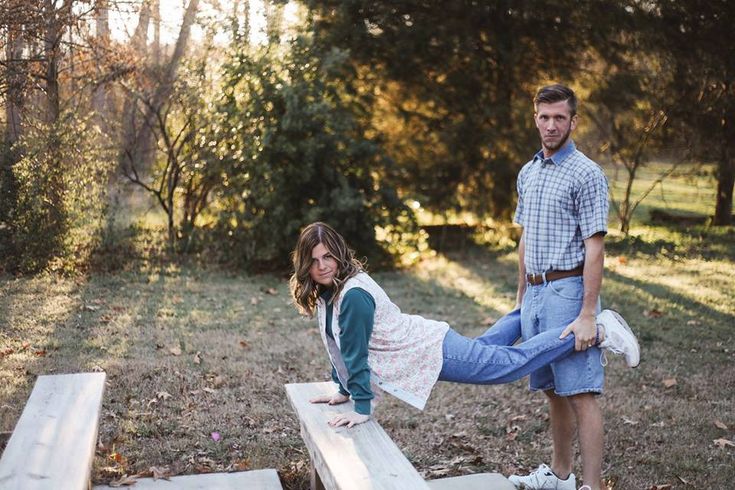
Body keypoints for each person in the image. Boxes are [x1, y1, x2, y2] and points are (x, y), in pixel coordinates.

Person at [288, 222, 639, 434]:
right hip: (424, 344)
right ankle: (523, 312)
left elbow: (355, 353)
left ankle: (598, 329)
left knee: (506, 366)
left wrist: (361, 408)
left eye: (328, 257)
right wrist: (342, 389)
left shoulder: (352, 297)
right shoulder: (329, 292)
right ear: (305, 263)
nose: (322, 266)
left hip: (428, 351)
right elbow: (336, 344)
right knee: (491, 351)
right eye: (315, 260)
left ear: (339, 254)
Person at [508, 84, 628, 490]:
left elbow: (595, 247)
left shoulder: (586, 174)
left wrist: (588, 313)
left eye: (560, 117)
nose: (551, 124)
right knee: (553, 391)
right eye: (544, 116)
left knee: (581, 392)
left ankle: (591, 486)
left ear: (574, 121)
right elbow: (525, 237)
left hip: (569, 292)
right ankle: (560, 475)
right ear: (535, 118)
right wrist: (521, 296)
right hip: (537, 295)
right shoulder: (528, 172)